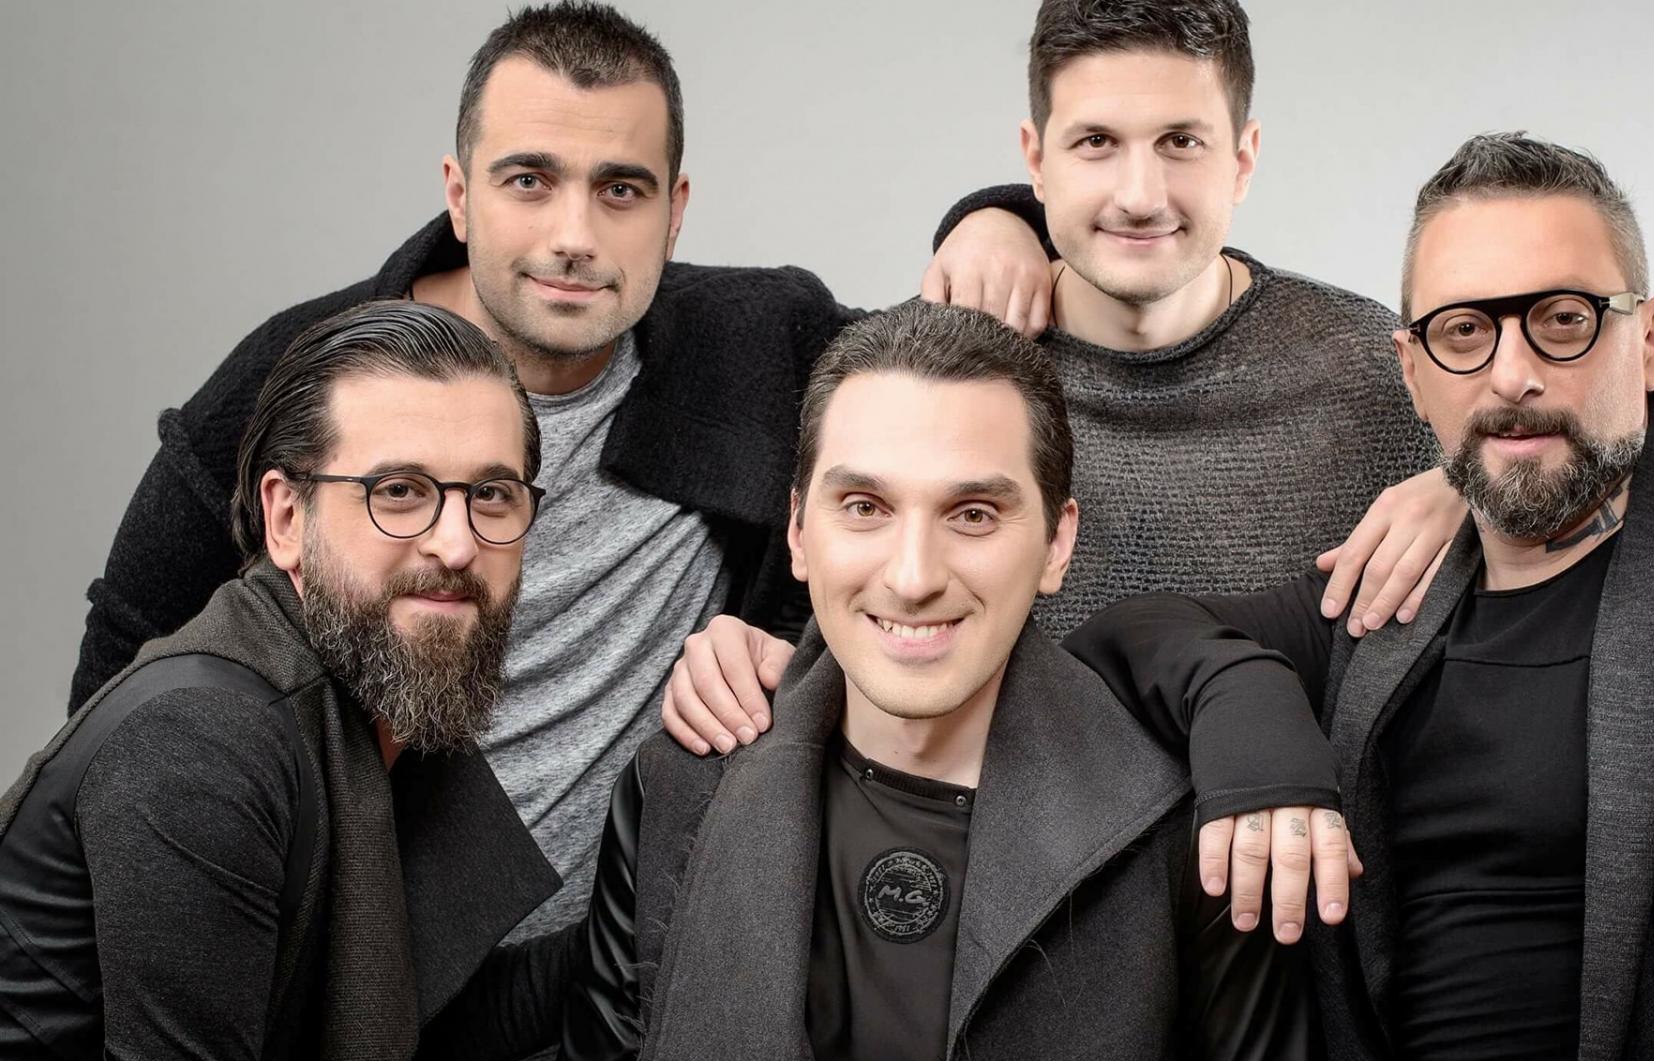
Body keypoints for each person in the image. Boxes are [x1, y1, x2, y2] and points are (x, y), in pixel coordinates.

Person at [63, 1, 1057, 994]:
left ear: (674, 209)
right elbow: (130, 674)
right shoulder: (310, 380)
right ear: (460, 196)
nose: (575, 236)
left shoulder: (756, 344)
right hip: (332, 987)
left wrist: (1001, 217)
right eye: (529, 181)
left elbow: (956, 388)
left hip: (615, 981)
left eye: (620, 189)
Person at [1064, 133, 1654, 1061]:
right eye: (1465, 331)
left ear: (1651, 342)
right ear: (1412, 373)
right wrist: (1257, 734)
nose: (1513, 374)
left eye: (1563, 319)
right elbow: (1116, 644)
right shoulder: (1386, 606)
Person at [660, 0, 1451, 942]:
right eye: (1096, 143)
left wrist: (1473, 490)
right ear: (1034, 161)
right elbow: (851, 622)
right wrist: (752, 655)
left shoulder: (1377, 375)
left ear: (1244, 157)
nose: (1140, 194)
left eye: (1182, 142)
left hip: (1287, 940)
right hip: (1004, 948)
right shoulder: (942, 374)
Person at [559, 303, 1313, 1061]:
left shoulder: (1195, 833)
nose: (913, 577)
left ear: (1057, 544)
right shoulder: (673, 787)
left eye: (973, 514)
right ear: (798, 532)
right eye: (865, 508)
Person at [0, 302, 571, 1061]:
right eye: (399, 490)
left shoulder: (374, 685)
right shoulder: (203, 740)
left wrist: (664, 883)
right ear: (287, 517)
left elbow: (418, 1028)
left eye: (492, 495)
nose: (457, 544)